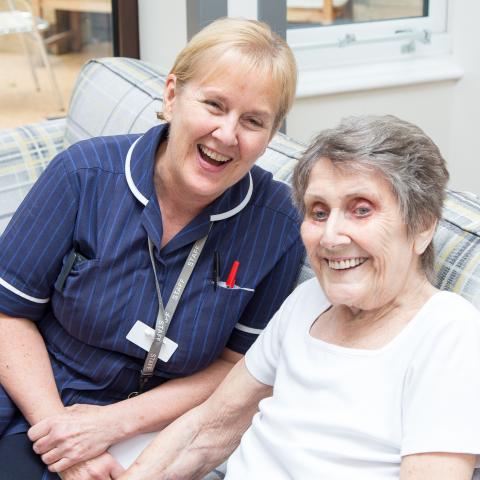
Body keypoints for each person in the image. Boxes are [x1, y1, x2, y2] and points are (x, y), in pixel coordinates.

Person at [0, 17, 305, 480]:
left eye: (253, 121)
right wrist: (64, 435)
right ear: (171, 95)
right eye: (214, 105)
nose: (227, 134)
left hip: (155, 433)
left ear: (272, 133)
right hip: (33, 393)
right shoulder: (82, 176)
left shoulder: (279, 224)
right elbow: (7, 314)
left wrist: (110, 425)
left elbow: (240, 369)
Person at [120, 115, 480, 480]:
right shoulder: (309, 300)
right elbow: (208, 430)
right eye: (319, 212)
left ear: (421, 225)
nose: (331, 236)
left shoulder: (447, 331)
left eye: (361, 209)